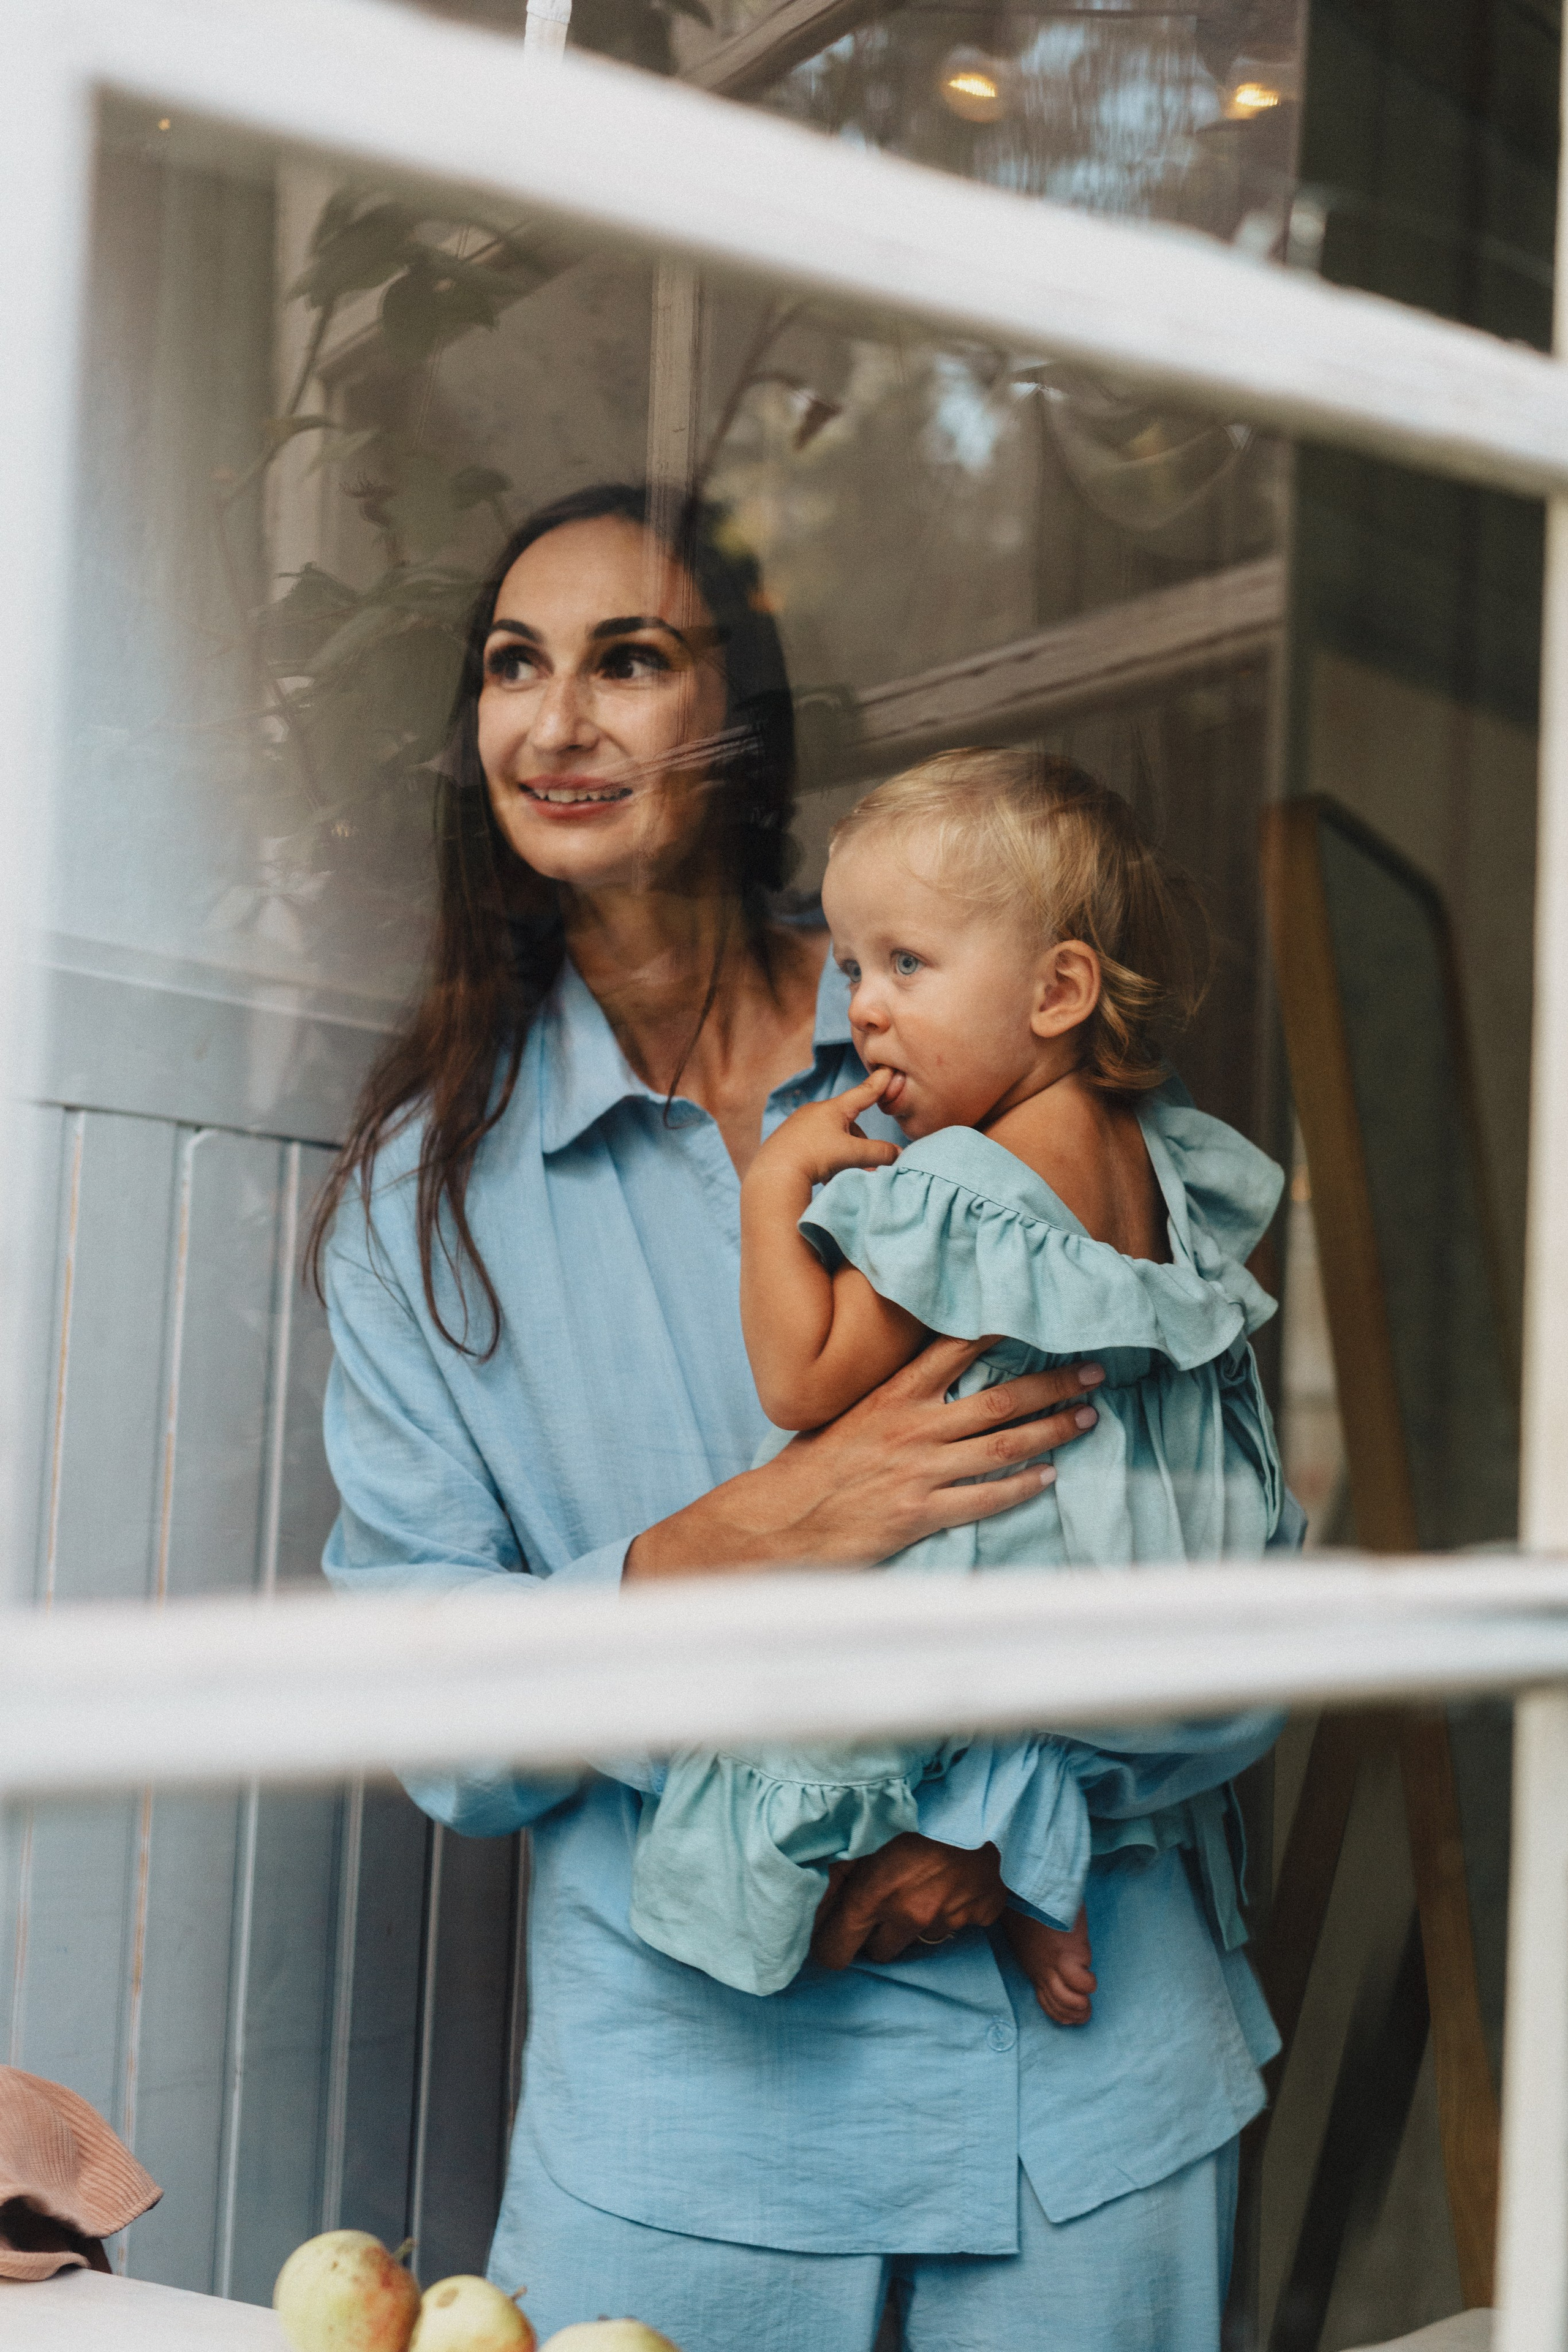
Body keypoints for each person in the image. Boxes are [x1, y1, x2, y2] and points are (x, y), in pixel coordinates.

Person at [314, 481, 1299, 2352]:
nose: (557, 719)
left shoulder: (1002, 1062)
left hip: (1084, 2113)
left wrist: (1015, 1823)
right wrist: (719, 1551)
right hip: (685, 2147)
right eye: (515, 666)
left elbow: (1231, 1554)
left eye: (629, 659)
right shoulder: (419, 1208)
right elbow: (420, 1700)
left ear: (739, 721)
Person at [628, 750, 1287, 2022]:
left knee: (786, 1710)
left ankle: (763, 1941)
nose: (864, 1013)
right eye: (851, 970)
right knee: (1015, 1733)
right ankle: (1040, 1870)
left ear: (1057, 992)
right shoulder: (1150, 1152)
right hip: (1131, 1581)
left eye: (905, 965)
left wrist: (774, 1188)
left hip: (1011, 1564)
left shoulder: (968, 1186)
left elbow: (799, 1379)